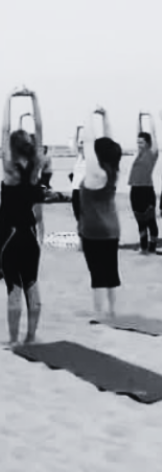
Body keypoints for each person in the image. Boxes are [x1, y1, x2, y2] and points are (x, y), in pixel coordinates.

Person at [0, 89, 45, 346]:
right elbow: (39, 128)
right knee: (32, 284)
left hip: (9, 233)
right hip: (29, 234)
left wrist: (8, 100)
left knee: (13, 288)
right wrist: (33, 99)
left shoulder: (9, 168)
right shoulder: (36, 167)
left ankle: (14, 340)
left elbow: (4, 131)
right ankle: (31, 337)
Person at [78, 107, 122, 319]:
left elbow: (88, 143)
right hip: (112, 228)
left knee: (97, 273)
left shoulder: (95, 173)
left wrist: (89, 115)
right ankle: (112, 310)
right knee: (111, 271)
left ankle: (98, 313)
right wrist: (105, 118)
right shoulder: (113, 171)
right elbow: (109, 145)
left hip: (94, 230)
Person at [128, 114, 158, 254]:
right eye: (138, 142)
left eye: (141, 142)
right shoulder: (139, 153)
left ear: (147, 143)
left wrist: (150, 119)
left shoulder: (153, 153)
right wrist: (138, 119)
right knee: (140, 221)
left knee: (150, 221)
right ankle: (143, 247)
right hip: (135, 190)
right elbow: (138, 133)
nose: (139, 145)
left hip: (147, 190)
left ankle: (152, 248)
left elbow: (154, 136)